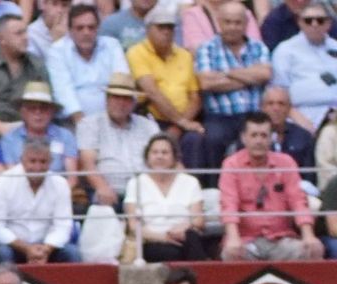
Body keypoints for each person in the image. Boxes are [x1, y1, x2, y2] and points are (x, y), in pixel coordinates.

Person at [219, 109, 324, 258]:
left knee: (312, 250)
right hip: (245, 240)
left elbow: (298, 200)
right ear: (244, 138)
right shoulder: (231, 164)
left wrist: (308, 235)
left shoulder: (286, 162)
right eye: (254, 135)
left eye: (264, 135)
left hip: (281, 240)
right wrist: (233, 238)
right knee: (231, 253)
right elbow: (229, 204)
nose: (259, 141)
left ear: (271, 138)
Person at [195, 1, 273, 168]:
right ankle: (214, 188)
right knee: (213, 140)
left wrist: (226, 72)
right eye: (228, 22)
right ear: (219, 22)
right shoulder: (207, 48)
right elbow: (207, 83)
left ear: (245, 24)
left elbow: (265, 74)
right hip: (220, 117)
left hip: (254, 114)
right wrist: (249, 76)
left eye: (238, 22)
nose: (232, 27)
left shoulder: (258, 47)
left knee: (262, 136)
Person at [128, 4, 206, 167]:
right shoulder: (137, 52)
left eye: (170, 27)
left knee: (196, 138)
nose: (166, 32)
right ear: (148, 29)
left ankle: (193, 186)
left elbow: (195, 97)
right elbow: (152, 92)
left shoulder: (184, 55)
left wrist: (179, 125)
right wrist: (181, 123)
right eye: (161, 27)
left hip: (184, 119)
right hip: (151, 119)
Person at [0, 135, 80, 261]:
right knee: (3, 253)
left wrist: (46, 249)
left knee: (72, 253)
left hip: (47, 247)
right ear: (22, 160)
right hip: (13, 245)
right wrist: (26, 248)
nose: (37, 168)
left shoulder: (60, 183)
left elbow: (63, 226)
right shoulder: (2, 182)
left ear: (51, 162)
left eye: (43, 162)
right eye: (32, 161)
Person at [77, 72, 160, 205]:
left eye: (126, 99)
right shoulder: (90, 124)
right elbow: (88, 164)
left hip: (146, 193)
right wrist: (101, 187)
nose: (121, 103)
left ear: (133, 102)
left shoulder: (148, 126)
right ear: (107, 99)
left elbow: (164, 158)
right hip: (109, 192)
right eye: (116, 97)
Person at [124, 134, 207, 261]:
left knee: (191, 238)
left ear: (174, 158)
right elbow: (133, 226)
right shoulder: (135, 183)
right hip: (153, 240)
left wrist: (185, 227)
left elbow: (198, 220)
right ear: (147, 157)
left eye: (165, 152)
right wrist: (164, 237)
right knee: (171, 253)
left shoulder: (190, 182)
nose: (159, 156)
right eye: (155, 152)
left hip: (184, 235)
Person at [48, 3, 132, 122]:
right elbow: (63, 91)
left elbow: (121, 82)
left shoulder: (112, 46)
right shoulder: (57, 51)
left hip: (113, 119)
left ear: (98, 28)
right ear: (70, 31)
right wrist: (82, 123)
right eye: (80, 28)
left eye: (91, 27)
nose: (86, 32)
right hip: (72, 122)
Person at [271, 1, 337, 130]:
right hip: (302, 114)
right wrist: (301, 122)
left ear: (329, 23)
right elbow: (279, 93)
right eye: (308, 20)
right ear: (299, 23)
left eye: (320, 20)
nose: (314, 24)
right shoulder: (285, 50)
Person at [0, 80, 79, 173]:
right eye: (32, 108)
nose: (38, 113)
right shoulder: (10, 139)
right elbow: (12, 175)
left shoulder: (65, 136)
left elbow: (72, 177)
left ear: (52, 112)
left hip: (61, 186)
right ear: (23, 112)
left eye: (44, 108)